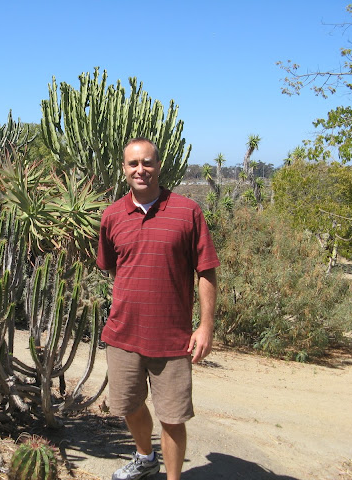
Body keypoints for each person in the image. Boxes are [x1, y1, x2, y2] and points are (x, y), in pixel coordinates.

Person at [97, 137, 219, 480]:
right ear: (124, 169)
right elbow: (113, 268)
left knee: (172, 416)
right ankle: (146, 458)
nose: (141, 170)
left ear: (159, 166)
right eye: (133, 163)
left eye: (147, 162)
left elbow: (206, 270)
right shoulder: (112, 216)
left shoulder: (187, 211)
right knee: (128, 406)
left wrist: (205, 326)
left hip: (172, 338)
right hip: (123, 334)